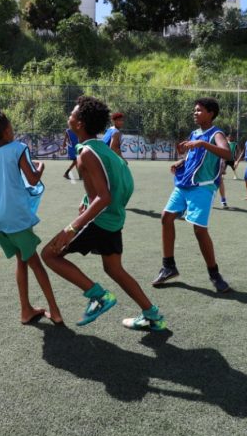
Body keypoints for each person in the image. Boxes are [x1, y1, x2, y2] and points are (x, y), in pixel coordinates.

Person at [42, 96, 166, 332]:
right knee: (114, 269)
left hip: (101, 219)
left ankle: (98, 296)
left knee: (49, 254)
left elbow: (104, 197)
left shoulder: (87, 152)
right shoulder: (104, 150)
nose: (69, 116)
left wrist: (72, 228)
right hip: (113, 219)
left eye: (73, 113)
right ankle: (153, 316)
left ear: (80, 123)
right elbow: (122, 183)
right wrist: (88, 200)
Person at [0, 111, 64, 326]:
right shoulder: (18, 149)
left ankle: (26, 310)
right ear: (7, 130)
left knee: (21, 259)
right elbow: (33, 179)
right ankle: (54, 311)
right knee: (36, 263)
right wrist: (41, 167)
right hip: (14, 218)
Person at [152, 97, 232, 293]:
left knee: (199, 229)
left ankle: (215, 274)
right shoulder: (195, 133)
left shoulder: (216, 133)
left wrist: (202, 144)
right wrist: (181, 161)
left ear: (210, 113)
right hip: (184, 184)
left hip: (203, 187)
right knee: (166, 217)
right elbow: (191, 154)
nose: (195, 113)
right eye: (194, 110)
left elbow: (227, 153)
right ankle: (168, 266)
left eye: (199, 110)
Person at [217, 132, 239, 209]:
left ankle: (223, 201)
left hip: (227, 160)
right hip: (209, 167)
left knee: (220, 181)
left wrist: (222, 167)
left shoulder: (230, 144)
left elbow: (223, 157)